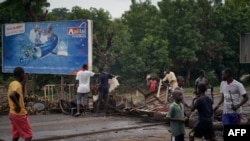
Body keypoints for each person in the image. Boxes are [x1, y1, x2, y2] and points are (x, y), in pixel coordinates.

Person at [7, 67, 33, 141]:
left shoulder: (13, 84)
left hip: (12, 113)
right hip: (19, 114)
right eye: (24, 74)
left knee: (16, 135)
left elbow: (23, 98)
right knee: (28, 136)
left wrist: (25, 84)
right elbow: (12, 95)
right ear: (22, 75)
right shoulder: (17, 85)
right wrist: (18, 106)